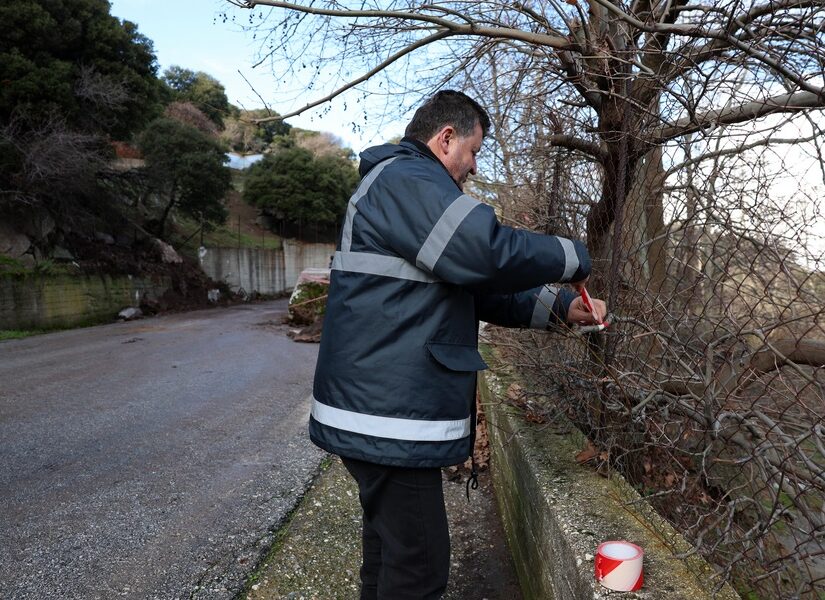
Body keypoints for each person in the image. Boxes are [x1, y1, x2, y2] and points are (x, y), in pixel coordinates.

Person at [309, 90, 607, 599]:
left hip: (378, 410)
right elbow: (483, 252)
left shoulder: (403, 189)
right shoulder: (406, 179)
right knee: (419, 568)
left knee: (389, 554)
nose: (471, 167)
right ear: (445, 139)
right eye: (472, 152)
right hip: (386, 416)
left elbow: (472, 289)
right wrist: (573, 256)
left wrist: (560, 307)